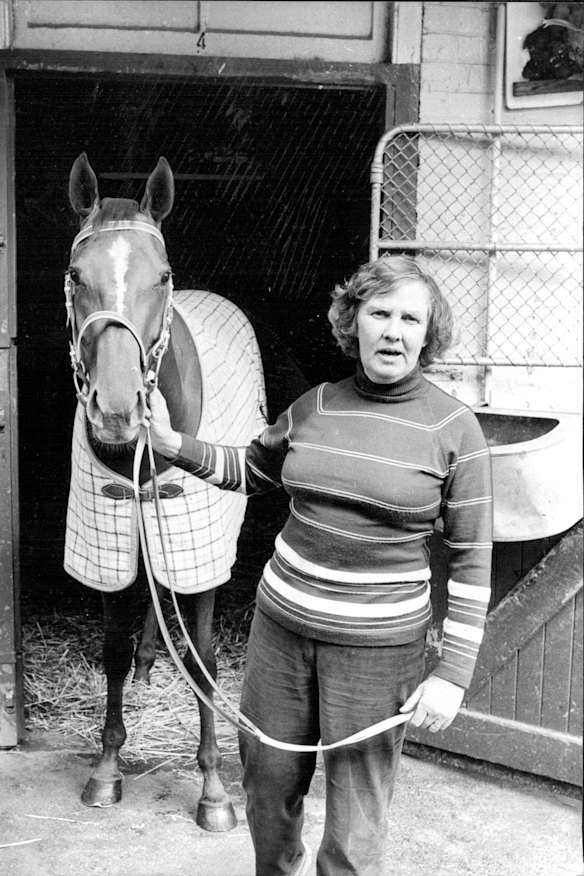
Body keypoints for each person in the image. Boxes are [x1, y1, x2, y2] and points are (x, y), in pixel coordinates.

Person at [147, 254, 493, 876]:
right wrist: (174, 446)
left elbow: (472, 557)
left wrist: (453, 674)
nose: (393, 331)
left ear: (428, 331)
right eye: (379, 313)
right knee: (267, 785)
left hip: (378, 650)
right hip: (280, 634)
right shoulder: (316, 406)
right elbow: (252, 470)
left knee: (356, 822)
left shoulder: (454, 429)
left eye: (410, 318)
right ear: (352, 322)